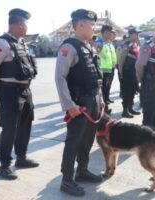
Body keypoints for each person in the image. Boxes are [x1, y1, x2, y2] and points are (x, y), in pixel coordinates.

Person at [0, 8, 39, 180]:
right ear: (17, 24)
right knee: (9, 129)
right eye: (24, 24)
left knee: (25, 126)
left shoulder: (21, 43)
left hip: (25, 91)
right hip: (9, 93)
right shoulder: (2, 43)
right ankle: (5, 165)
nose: (26, 28)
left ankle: (21, 158)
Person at [54, 9, 103, 197]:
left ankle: (82, 170)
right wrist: (69, 105)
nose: (94, 28)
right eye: (91, 25)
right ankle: (66, 180)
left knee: (88, 139)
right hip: (78, 104)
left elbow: (95, 76)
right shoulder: (69, 47)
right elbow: (60, 78)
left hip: (93, 102)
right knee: (73, 141)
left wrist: (101, 100)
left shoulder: (88, 46)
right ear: (80, 25)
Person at [118, 28, 142, 118]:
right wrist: (121, 73)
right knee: (126, 92)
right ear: (131, 35)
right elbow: (121, 60)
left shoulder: (136, 45)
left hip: (134, 73)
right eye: (136, 34)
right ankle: (125, 110)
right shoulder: (127, 45)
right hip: (127, 72)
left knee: (132, 91)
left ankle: (130, 108)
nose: (138, 36)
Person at [96, 25, 117, 113]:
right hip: (102, 70)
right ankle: (103, 110)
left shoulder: (108, 43)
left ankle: (105, 108)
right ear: (103, 33)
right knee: (103, 90)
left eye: (111, 33)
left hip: (109, 70)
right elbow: (96, 55)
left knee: (106, 89)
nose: (111, 35)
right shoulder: (100, 43)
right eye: (108, 33)